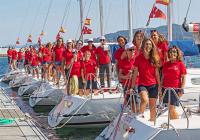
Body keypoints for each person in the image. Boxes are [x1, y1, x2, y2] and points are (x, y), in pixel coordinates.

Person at [131, 39, 161, 121]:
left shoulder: (154, 58)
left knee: (152, 106)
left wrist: (159, 86)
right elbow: (135, 74)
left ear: (152, 46)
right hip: (142, 84)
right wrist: (132, 87)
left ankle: (152, 120)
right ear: (143, 45)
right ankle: (140, 116)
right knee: (144, 100)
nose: (148, 46)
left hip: (153, 84)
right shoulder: (138, 58)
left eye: (150, 44)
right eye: (147, 44)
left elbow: (157, 74)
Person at [162, 46, 186, 119]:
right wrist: (160, 89)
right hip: (166, 89)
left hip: (175, 89)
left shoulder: (180, 64)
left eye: (174, 51)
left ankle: (177, 123)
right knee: (170, 108)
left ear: (177, 53)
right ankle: (171, 123)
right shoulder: (165, 64)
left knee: (172, 108)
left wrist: (181, 89)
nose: (172, 53)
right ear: (168, 53)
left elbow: (183, 78)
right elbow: (162, 77)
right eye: (171, 51)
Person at [119, 43, 138, 112]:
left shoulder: (137, 59)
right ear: (126, 51)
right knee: (128, 102)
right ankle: (131, 114)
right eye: (131, 49)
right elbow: (120, 75)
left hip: (135, 83)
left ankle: (135, 115)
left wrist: (136, 73)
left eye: (134, 49)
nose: (133, 51)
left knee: (135, 101)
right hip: (126, 84)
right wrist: (126, 76)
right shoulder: (123, 61)